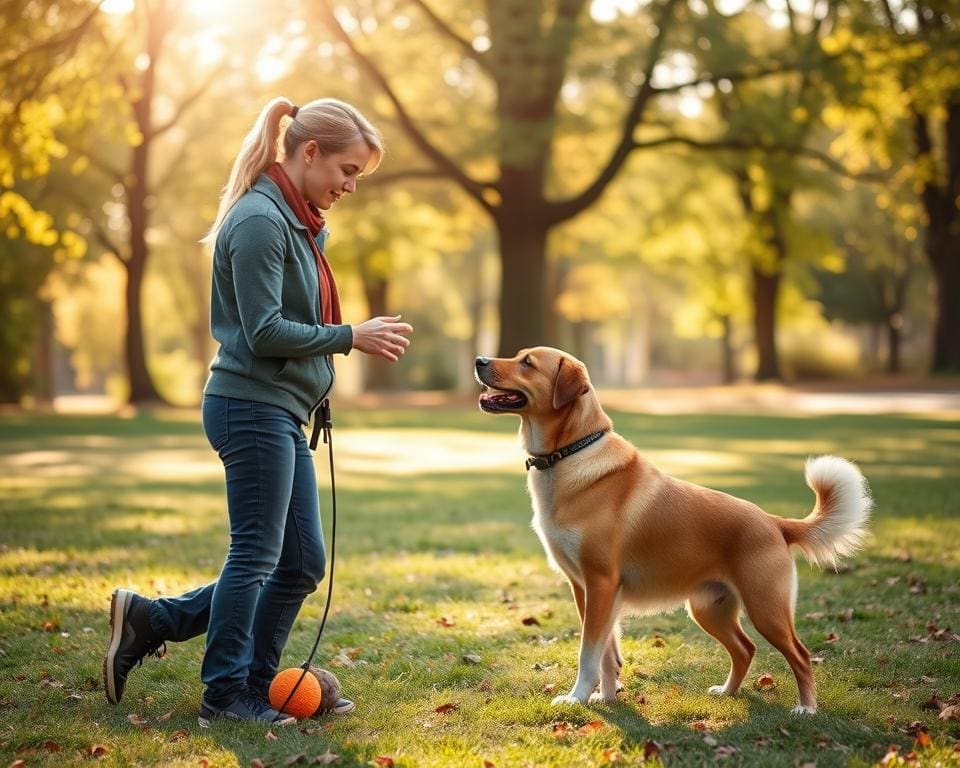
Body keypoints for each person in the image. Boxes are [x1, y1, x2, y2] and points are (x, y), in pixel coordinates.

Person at [102, 97, 413, 726]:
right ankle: (225, 695)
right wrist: (348, 336)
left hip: (280, 409)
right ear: (309, 153)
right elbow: (265, 330)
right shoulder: (260, 222)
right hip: (249, 406)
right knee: (255, 555)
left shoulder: (298, 222)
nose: (350, 186)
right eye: (347, 171)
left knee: (300, 562)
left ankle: (166, 627)